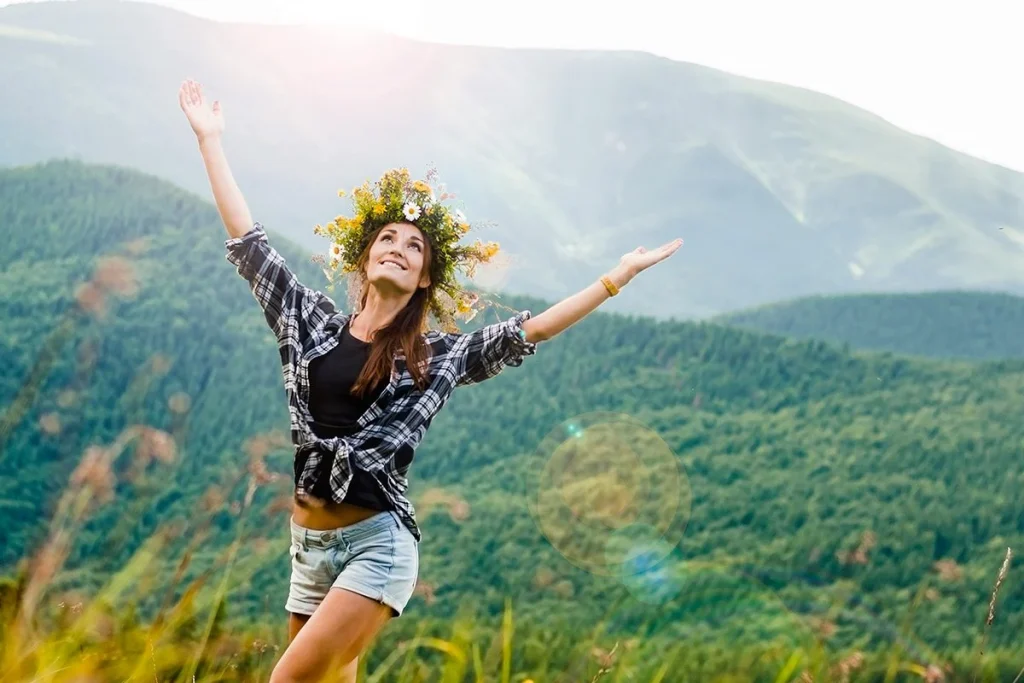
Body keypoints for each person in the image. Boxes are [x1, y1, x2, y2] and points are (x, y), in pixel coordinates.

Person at [178, 78, 683, 683]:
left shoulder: (435, 358)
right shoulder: (307, 322)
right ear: (366, 258)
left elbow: (532, 331)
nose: (397, 248)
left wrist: (615, 278)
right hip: (307, 553)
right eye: (386, 239)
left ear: (423, 278)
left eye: (413, 246)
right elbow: (249, 243)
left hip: (377, 546)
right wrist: (210, 140)